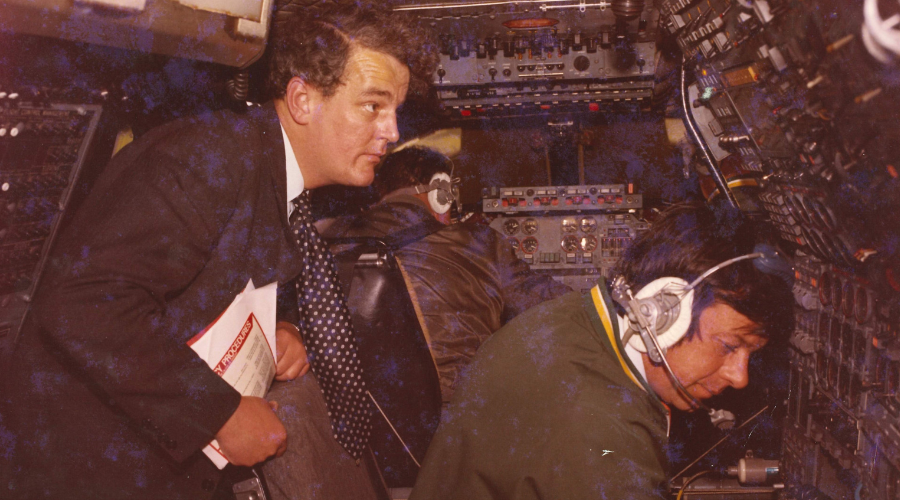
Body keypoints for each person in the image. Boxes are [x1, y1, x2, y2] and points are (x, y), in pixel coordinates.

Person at [0, 3, 436, 499]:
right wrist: (217, 412)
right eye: (373, 106)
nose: (392, 131)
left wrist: (285, 327)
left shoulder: (273, 178)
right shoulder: (206, 161)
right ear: (302, 100)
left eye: (395, 111)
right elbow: (84, 301)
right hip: (84, 471)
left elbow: (217, 282)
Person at [408, 203, 793, 500]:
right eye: (729, 346)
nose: (739, 376)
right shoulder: (600, 428)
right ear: (662, 311)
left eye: (750, 354)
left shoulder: (572, 318)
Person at [320, 146, 573, 404]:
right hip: (457, 410)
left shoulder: (329, 239)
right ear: (441, 193)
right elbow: (549, 305)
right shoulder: (480, 242)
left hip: (371, 414)